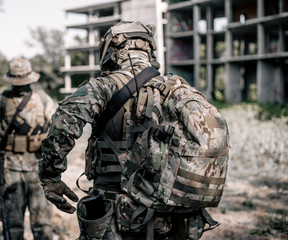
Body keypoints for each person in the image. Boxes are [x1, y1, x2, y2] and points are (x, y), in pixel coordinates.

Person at [39, 21, 229, 240]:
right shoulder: (177, 90)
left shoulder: (104, 86)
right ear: (149, 51)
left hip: (116, 212)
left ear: (112, 51)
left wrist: (50, 176)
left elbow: (63, 124)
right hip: (168, 214)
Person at [0, 57, 56, 240]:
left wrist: (55, 161)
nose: (20, 86)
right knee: (12, 226)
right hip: (9, 170)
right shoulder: (1, 101)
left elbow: (59, 132)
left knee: (42, 226)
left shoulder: (44, 100)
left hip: (38, 170)